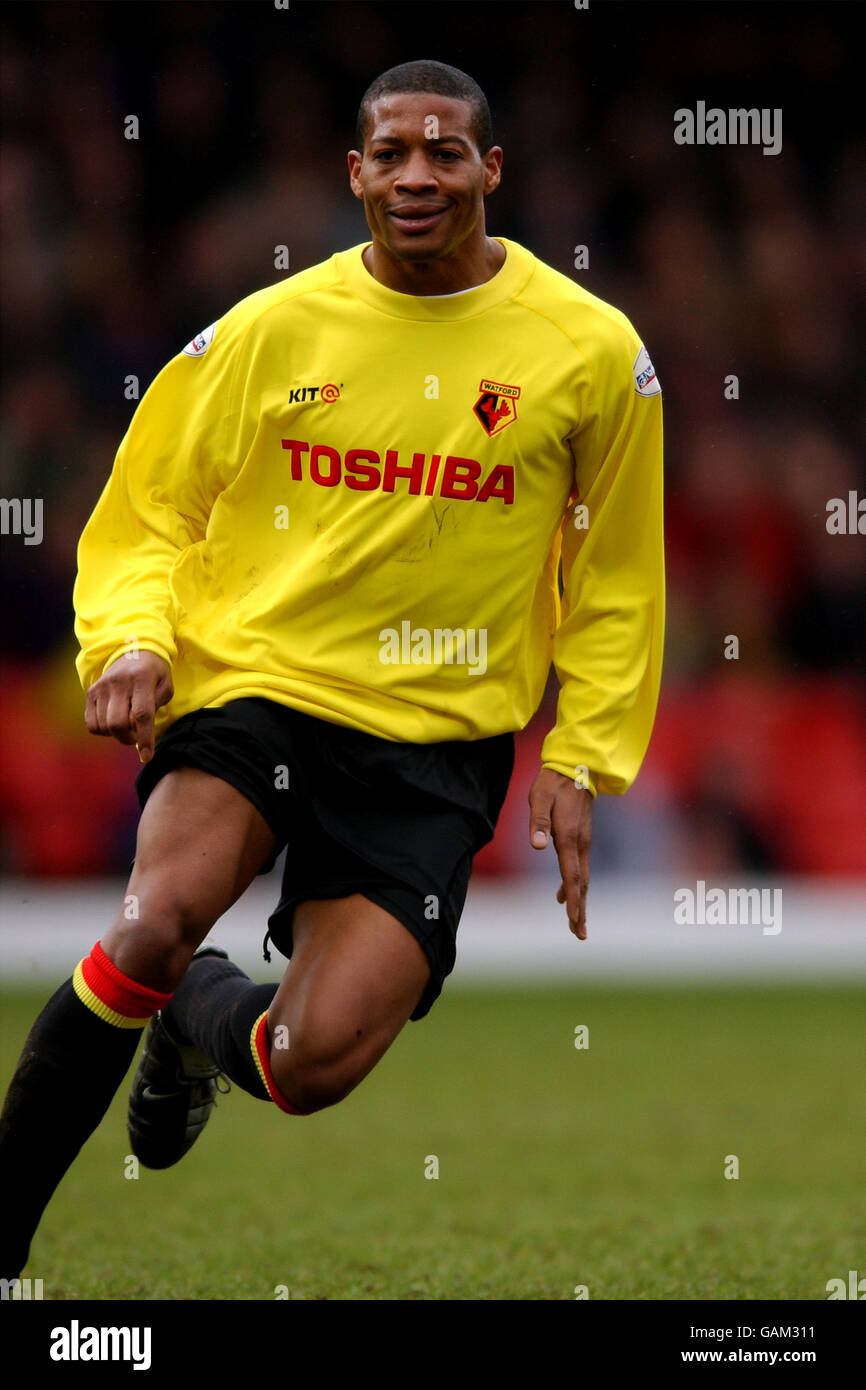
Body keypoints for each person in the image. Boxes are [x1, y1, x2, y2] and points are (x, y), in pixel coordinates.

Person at [0, 59, 664, 1279]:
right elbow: (146, 510)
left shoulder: (590, 353)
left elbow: (616, 576)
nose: (416, 176)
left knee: (306, 1067)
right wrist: (134, 639)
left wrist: (581, 753)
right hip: (257, 688)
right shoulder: (267, 330)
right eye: (390, 154)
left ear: (490, 171)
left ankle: (197, 1028)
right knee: (149, 920)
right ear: (354, 173)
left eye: (445, 153)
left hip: (434, 745)